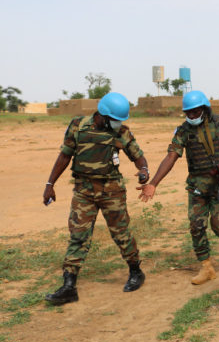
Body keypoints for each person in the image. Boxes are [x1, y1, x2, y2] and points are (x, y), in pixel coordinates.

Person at [42, 92, 150, 305]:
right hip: (84, 191)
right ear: (103, 115)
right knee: (78, 235)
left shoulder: (121, 132)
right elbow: (64, 155)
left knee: (121, 234)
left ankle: (136, 271)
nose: (119, 124)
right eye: (116, 120)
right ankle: (69, 286)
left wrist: (144, 170)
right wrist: (49, 184)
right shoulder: (78, 127)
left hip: (112, 191)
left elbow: (139, 156)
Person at [138, 90, 219, 285]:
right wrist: (153, 183)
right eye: (188, 113)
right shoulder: (183, 131)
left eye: (195, 112)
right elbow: (171, 156)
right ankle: (207, 268)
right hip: (197, 187)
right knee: (196, 226)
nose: (191, 116)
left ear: (204, 109)